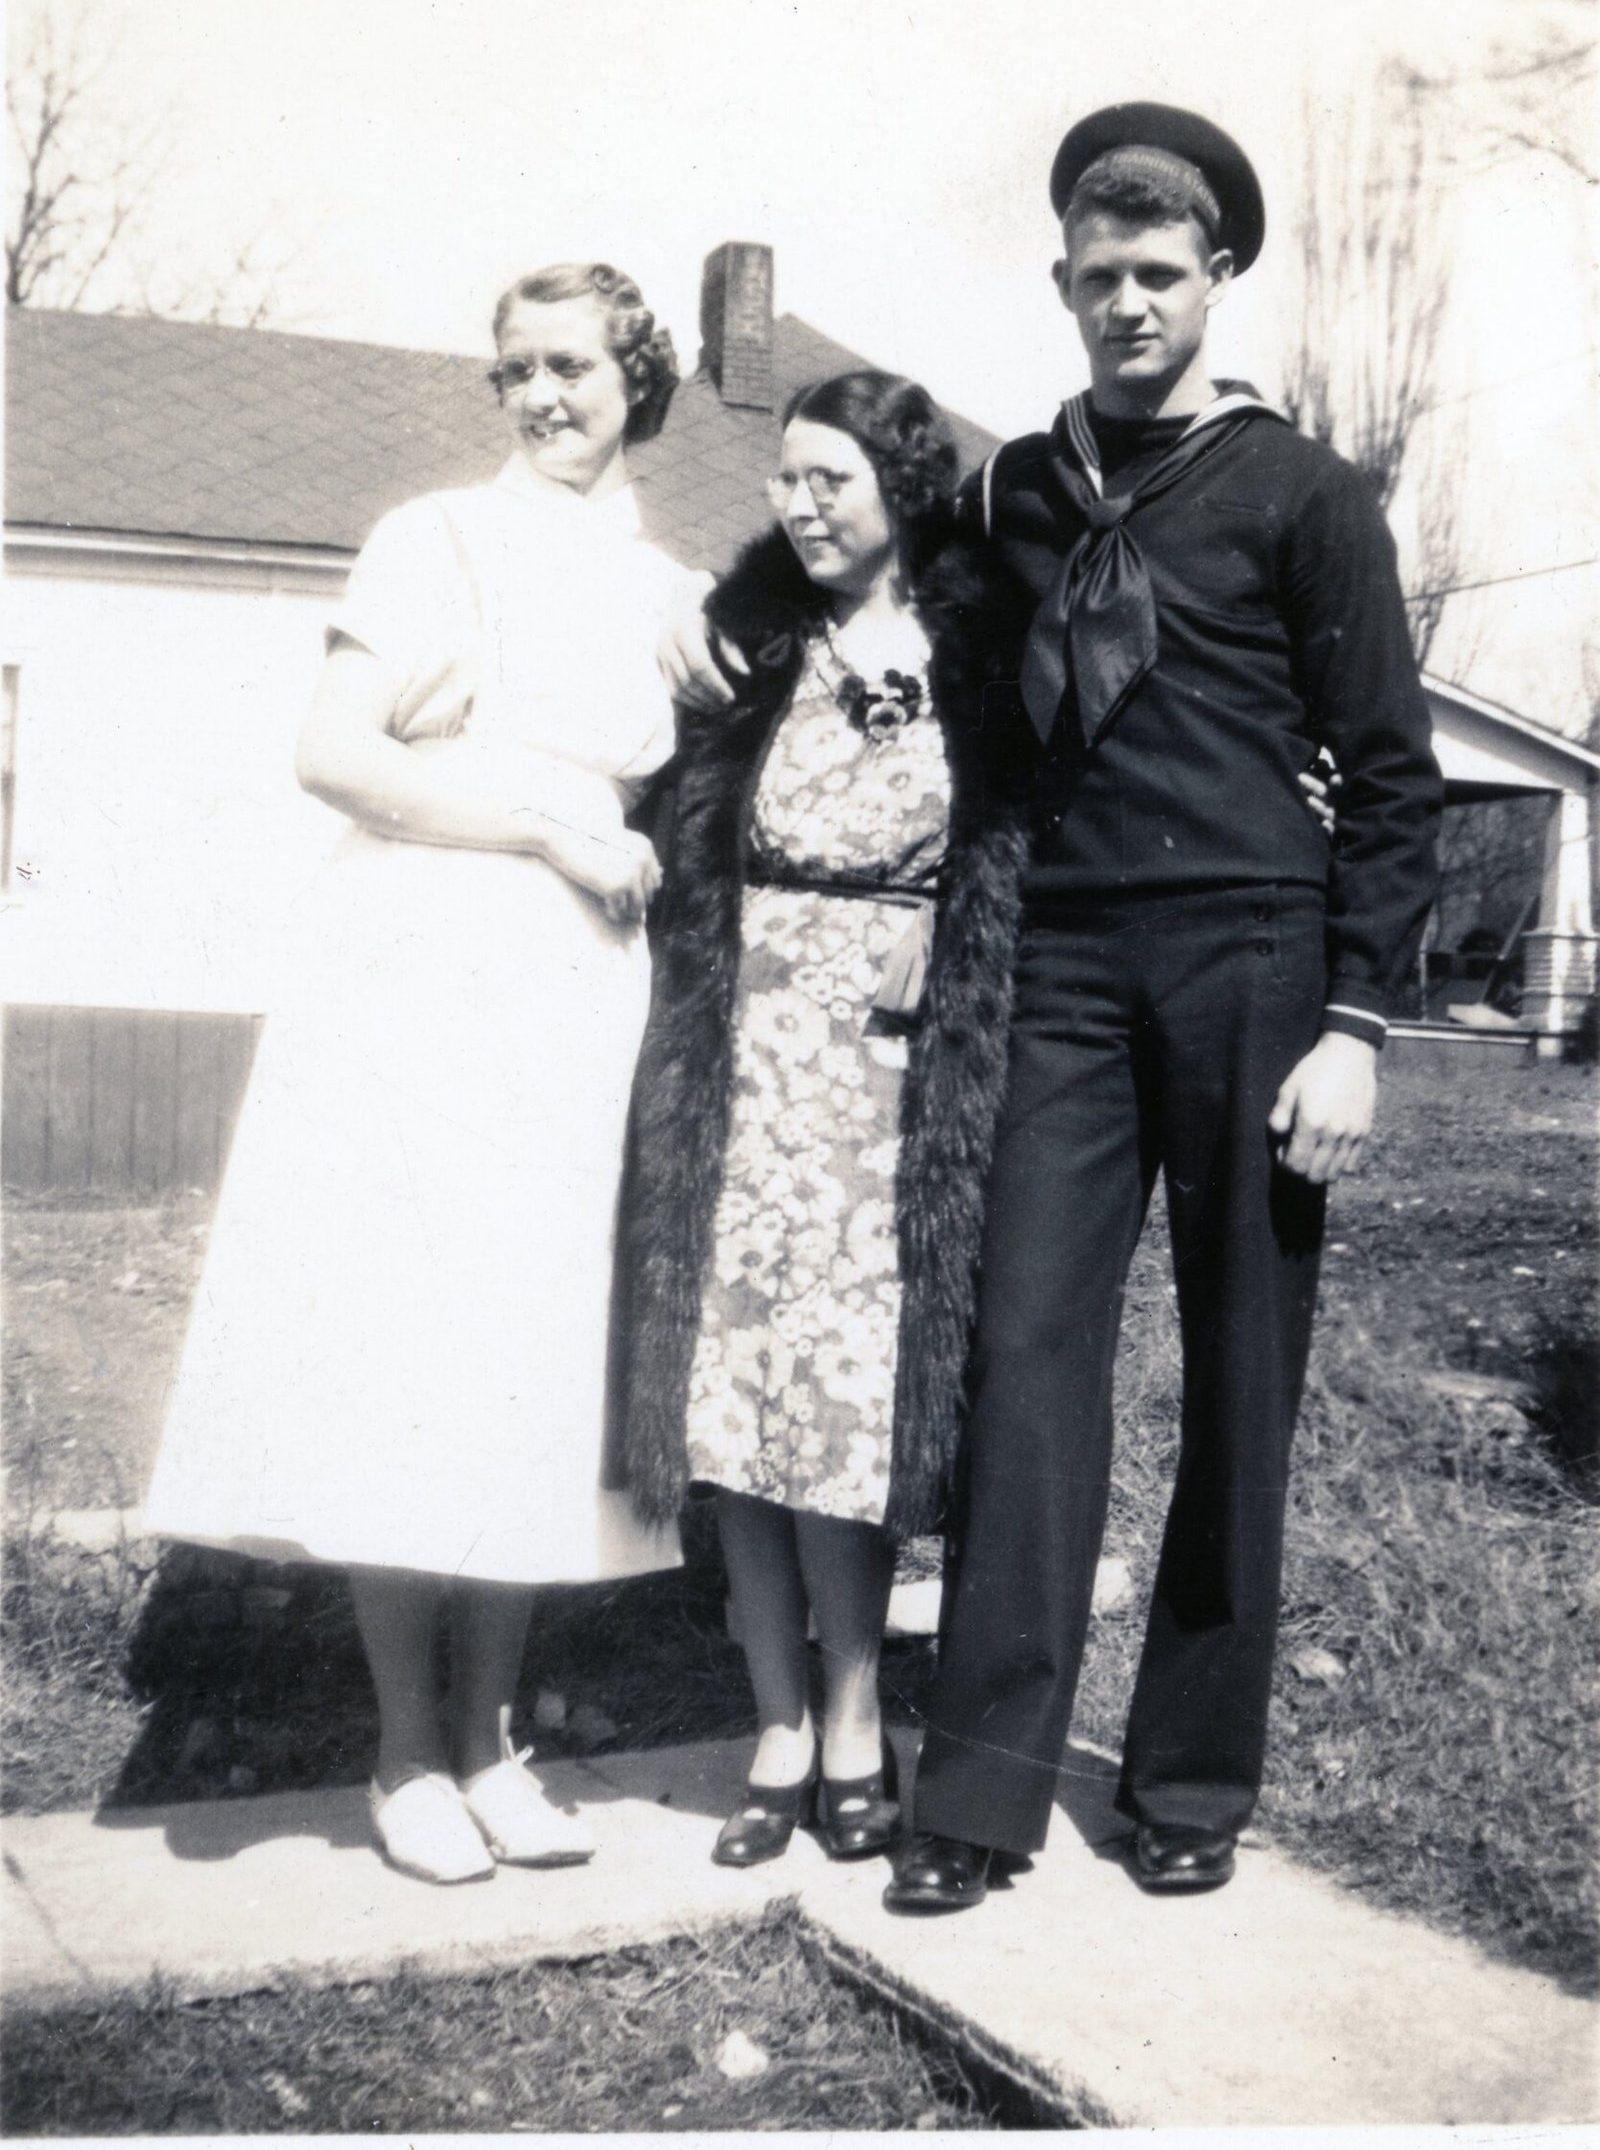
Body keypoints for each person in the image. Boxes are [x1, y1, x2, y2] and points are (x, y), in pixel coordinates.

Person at [882, 104, 1443, 1914]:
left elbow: (1394, 774)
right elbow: (947, 688)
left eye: (1158, 275)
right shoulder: (1020, 489)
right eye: (1095, 277)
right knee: (1023, 1356)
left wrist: (1357, 1022)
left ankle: (1192, 1777)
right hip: (1059, 962)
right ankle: (974, 1794)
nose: (1125, 305)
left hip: (1255, 970)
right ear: (1059, 283)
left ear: (1216, 282)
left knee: (1238, 1376)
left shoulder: (1304, 493)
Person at [145, 262, 704, 1886]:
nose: (543, 397)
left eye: (575, 368)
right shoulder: (429, 537)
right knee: (407, 1338)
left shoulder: (665, 588)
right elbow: (332, 752)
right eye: (518, 369)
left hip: (573, 993)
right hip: (413, 974)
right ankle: (404, 1747)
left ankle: (495, 1740)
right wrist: (534, 821)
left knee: (524, 1359)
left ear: (637, 380)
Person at [619, 370, 1039, 1868]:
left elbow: (1022, 830)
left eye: (831, 481)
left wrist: (950, 920)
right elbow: (656, 795)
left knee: (847, 1409)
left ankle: (858, 1718)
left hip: (885, 1071)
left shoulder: (978, 645)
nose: (799, 507)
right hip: (740, 1051)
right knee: (734, 1396)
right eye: (785, 482)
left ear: (903, 490)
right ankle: (777, 1725)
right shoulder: (747, 638)